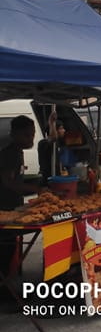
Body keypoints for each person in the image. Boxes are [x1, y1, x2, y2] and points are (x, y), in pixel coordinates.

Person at [1, 116, 42, 279]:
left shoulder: (18, 152)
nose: (30, 139)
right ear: (14, 134)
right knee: (5, 251)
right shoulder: (9, 154)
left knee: (10, 248)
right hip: (4, 209)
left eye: (32, 134)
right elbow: (8, 182)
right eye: (26, 135)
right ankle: (5, 284)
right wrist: (36, 189)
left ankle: (8, 280)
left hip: (13, 208)